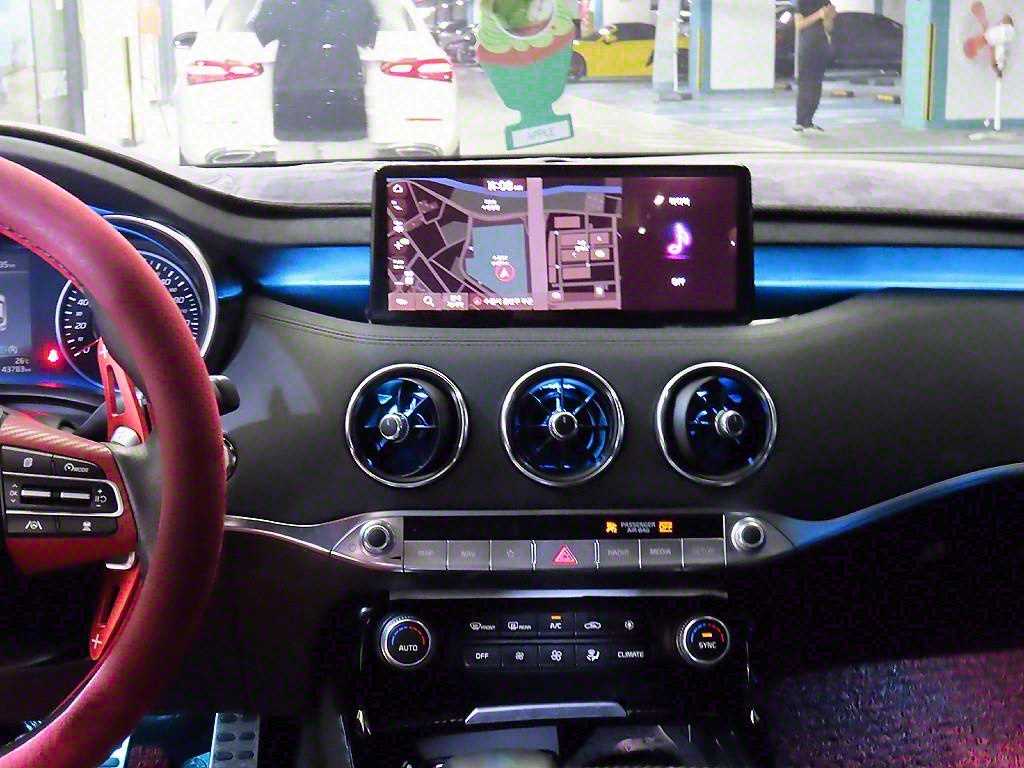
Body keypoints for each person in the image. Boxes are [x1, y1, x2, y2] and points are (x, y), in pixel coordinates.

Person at [249, 0, 379, 143]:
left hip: (295, 104)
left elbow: (262, 30)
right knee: (346, 153)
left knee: (296, 154)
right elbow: (368, 33)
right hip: (343, 102)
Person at [793, 0, 836, 132]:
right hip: (807, 47)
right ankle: (800, 121)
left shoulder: (825, 2)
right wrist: (818, 14)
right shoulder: (802, 2)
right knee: (806, 84)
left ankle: (809, 120)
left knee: (817, 85)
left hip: (821, 46)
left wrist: (828, 17)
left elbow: (829, 28)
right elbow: (799, 25)